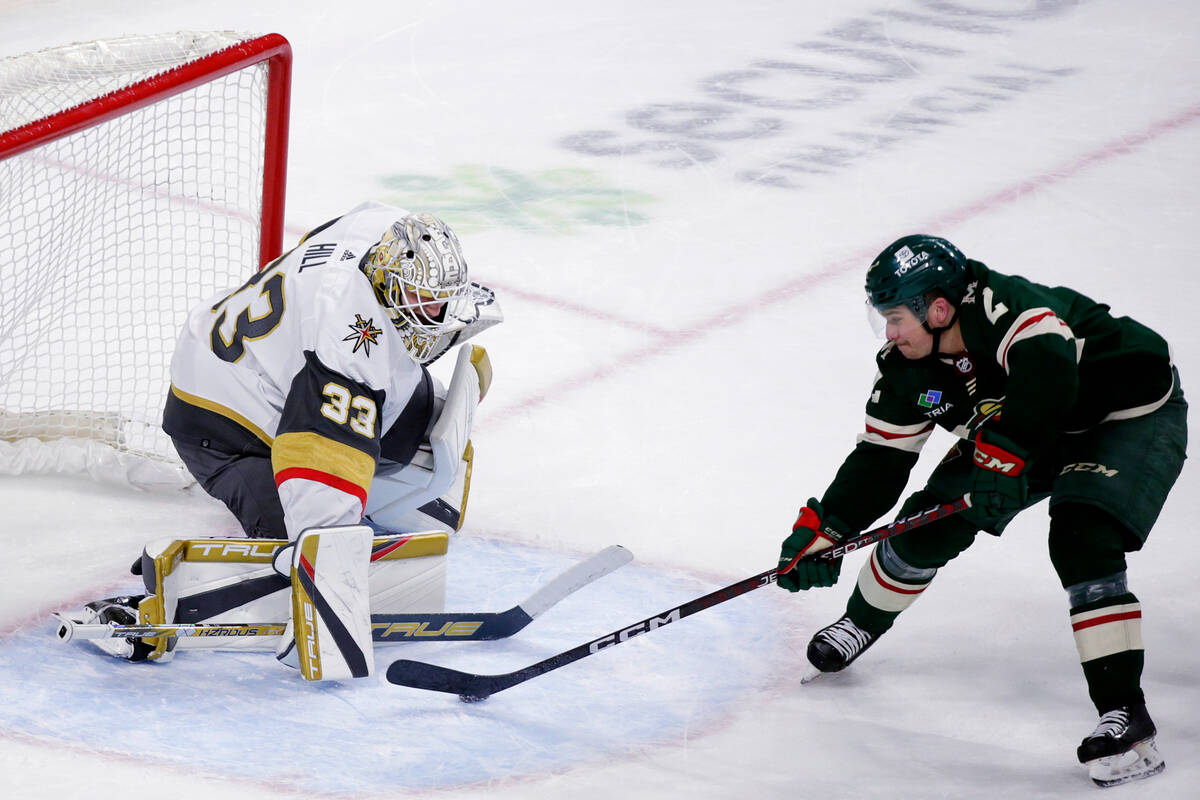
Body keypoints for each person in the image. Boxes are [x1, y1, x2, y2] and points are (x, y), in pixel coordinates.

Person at [775, 234, 1185, 788]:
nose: (889, 333)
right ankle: (860, 621)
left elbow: (1048, 372)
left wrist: (1004, 460)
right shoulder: (911, 371)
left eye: (896, 318)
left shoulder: (1006, 306)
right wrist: (827, 528)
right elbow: (879, 461)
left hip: (1122, 418)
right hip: (1022, 430)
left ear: (939, 308)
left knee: (1082, 538)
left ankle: (1127, 720)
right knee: (926, 527)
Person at [162, 200, 501, 541]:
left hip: (242, 345)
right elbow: (321, 511)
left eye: (440, 300)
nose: (435, 313)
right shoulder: (347, 350)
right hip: (214, 416)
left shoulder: (385, 225)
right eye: (421, 298)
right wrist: (330, 552)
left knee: (411, 416)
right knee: (296, 538)